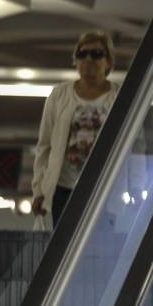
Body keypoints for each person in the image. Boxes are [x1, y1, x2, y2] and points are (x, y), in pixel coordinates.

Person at [32, 31, 119, 228]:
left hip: (104, 190)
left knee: (100, 249)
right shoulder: (59, 96)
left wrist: (137, 188)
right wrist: (38, 190)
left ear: (108, 62)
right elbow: (44, 146)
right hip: (63, 190)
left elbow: (135, 146)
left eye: (96, 54)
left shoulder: (120, 97)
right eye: (82, 54)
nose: (88, 59)